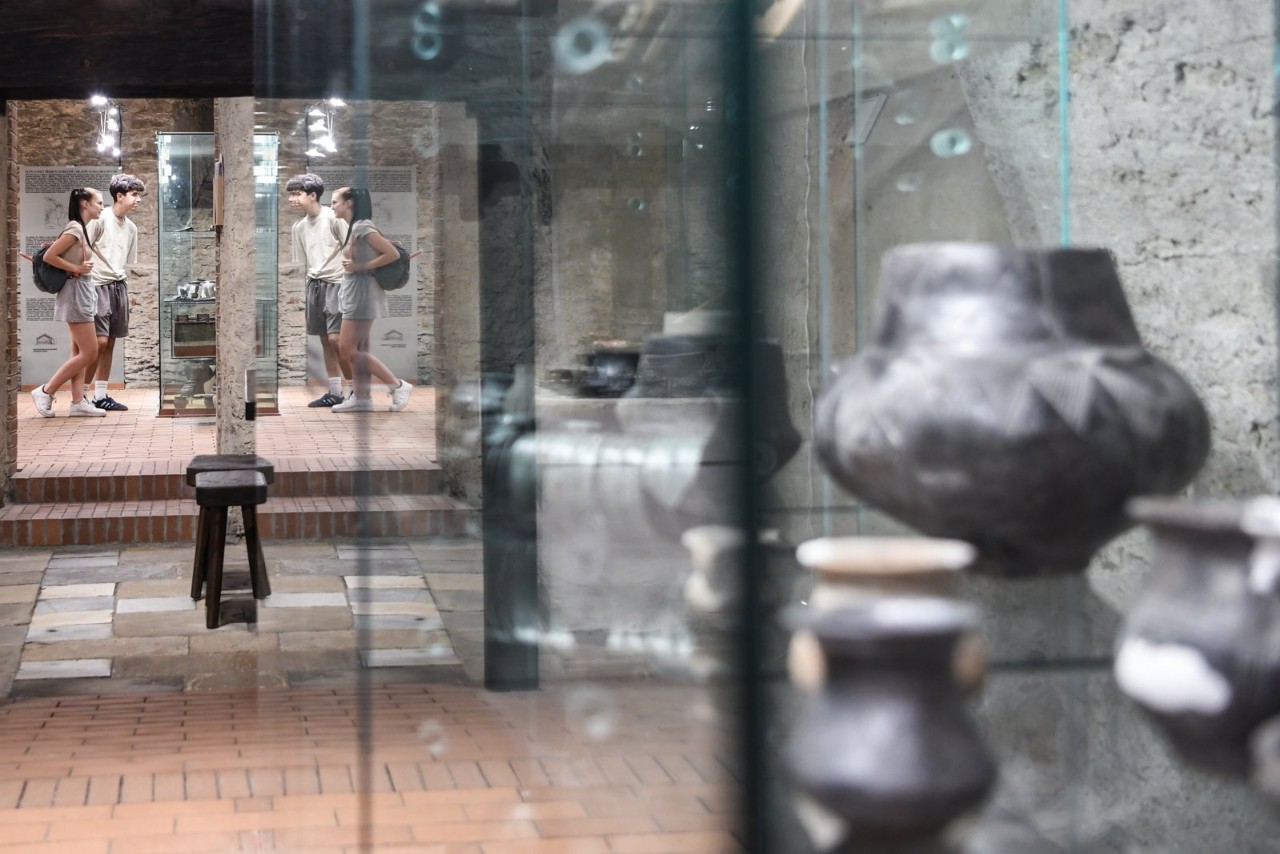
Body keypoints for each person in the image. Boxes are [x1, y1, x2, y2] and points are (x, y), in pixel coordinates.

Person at [329, 186, 412, 413]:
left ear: (349, 203)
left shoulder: (362, 226)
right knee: (357, 347)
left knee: (347, 348)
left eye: (335, 201)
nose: (332, 206)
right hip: (356, 291)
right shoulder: (356, 227)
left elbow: (392, 254)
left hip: (362, 293)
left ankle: (398, 385)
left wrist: (360, 266)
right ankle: (362, 398)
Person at [29, 188, 107, 418]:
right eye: (99, 202)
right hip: (75, 293)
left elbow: (57, 252)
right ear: (85, 203)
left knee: (79, 352)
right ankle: (46, 390)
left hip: (80, 291)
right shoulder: (75, 228)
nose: (102, 207)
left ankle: (77, 402)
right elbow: (49, 256)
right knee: (90, 353)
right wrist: (77, 268)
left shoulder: (79, 228)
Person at [287, 173, 352, 408]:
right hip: (314, 285)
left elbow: (351, 247)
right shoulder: (299, 227)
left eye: (297, 194)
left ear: (313, 195)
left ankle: (356, 391)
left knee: (337, 340)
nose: (292, 199)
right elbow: (305, 261)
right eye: (291, 195)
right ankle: (335, 393)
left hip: (337, 282)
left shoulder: (333, 218)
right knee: (325, 340)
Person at [83, 173, 145, 412]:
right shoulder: (100, 219)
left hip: (119, 285)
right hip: (97, 285)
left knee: (110, 342)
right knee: (98, 342)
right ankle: (82, 396)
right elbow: (82, 247)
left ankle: (101, 396)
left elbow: (125, 261)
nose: (138, 199)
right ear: (119, 196)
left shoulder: (131, 228)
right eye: (134, 194)